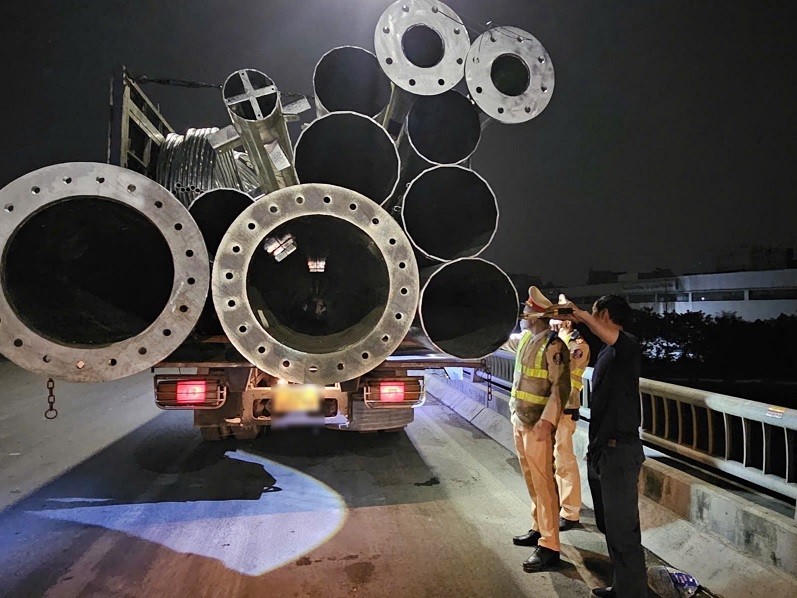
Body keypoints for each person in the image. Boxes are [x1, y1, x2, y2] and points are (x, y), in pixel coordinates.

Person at [561, 295, 647, 598]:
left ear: (605, 314)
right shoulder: (608, 352)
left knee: (623, 529)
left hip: (620, 451)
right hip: (603, 450)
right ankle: (623, 586)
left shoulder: (628, 346)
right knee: (609, 525)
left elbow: (613, 337)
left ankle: (633, 592)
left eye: (596, 314)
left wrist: (581, 315)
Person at [502, 286, 570, 572]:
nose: (523, 315)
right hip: (520, 420)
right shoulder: (527, 340)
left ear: (536, 316)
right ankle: (538, 527)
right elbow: (502, 343)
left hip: (538, 425)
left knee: (544, 485)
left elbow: (560, 388)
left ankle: (550, 545)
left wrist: (546, 422)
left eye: (526, 311)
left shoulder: (554, 346)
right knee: (532, 481)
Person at [552, 297, 591, 531]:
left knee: (564, 460)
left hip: (565, 408)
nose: (552, 322)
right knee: (555, 460)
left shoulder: (578, 345)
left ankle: (570, 512)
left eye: (556, 317)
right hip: (550, 408)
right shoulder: (556, 340)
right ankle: (559, 505)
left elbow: (562, 368)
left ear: (567, 321)